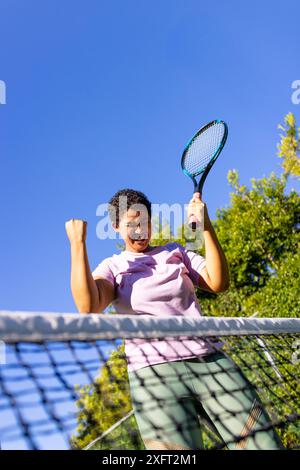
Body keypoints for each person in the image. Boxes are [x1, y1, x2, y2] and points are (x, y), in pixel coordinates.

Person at [65, 188, 283, 450]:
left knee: (265, 445)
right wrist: (78, 244)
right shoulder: (113, 267)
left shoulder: (176, 252)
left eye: (144, 222)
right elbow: (88, 306)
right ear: (115, 226)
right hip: (153, 380)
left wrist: (206, 226)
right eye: (131, 224)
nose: (140, 231)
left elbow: (218, 282)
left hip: (210, 362)